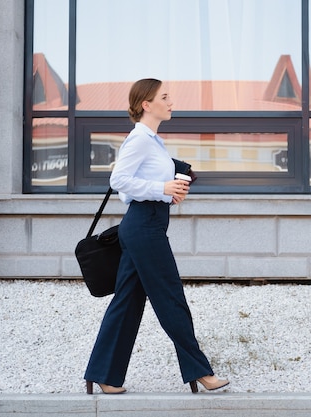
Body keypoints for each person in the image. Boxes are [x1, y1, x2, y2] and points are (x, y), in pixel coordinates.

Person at [84, 78, 229, 395]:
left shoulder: (152, 141)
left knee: (127, 301)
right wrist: (160, 189)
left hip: (144, 225)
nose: (171, 101)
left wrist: (170, 193)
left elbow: (139, 186)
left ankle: (103, 374)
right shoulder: (140, 139)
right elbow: (119, 180)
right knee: (171, 297)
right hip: (144, 228)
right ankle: (201, 372)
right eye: (165, 97)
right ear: (147, 104)